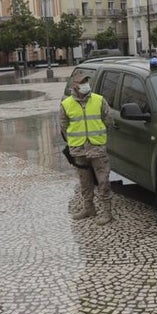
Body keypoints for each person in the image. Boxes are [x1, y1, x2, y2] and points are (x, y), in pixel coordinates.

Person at [60, 71, 113, 224]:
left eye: (86, 82)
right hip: (78, 149)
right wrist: (74, 141)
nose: (85, 85)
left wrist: (100, 137)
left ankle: (107, 212)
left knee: (103, 181)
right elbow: (64, 126)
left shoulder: (99, 100)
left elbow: (108, 120)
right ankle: (89, 208)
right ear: (74, 85)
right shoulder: (66, 104)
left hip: (97, 147)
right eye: (82, 82)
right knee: (85, 181)